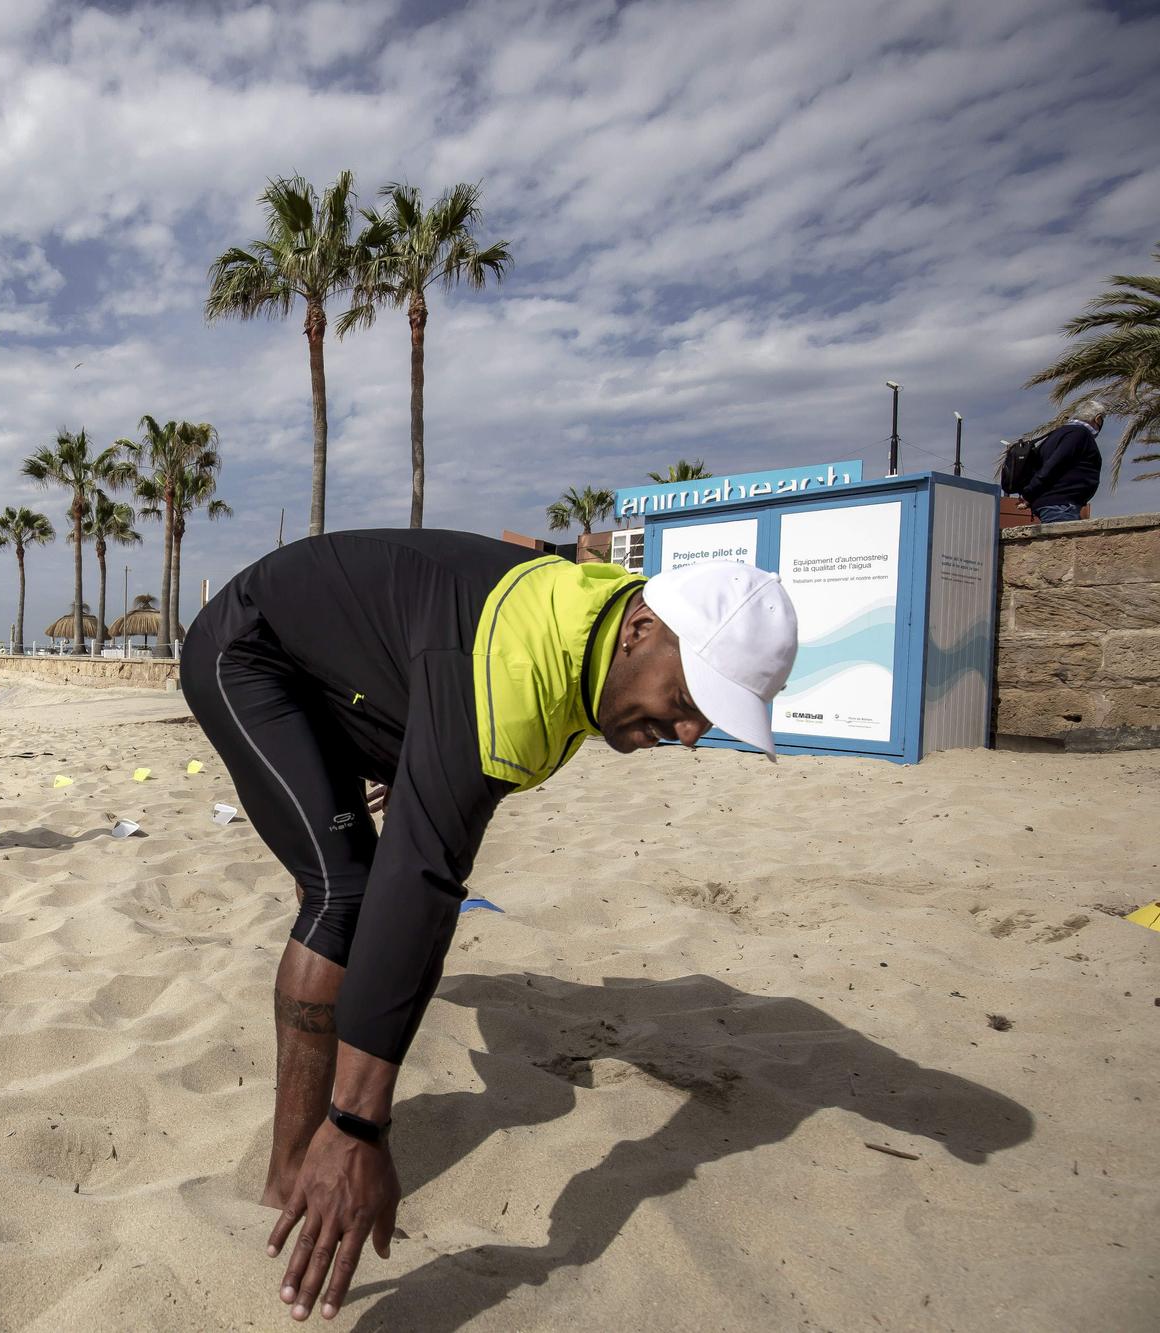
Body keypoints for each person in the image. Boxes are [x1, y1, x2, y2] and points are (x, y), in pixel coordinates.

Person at [179, 530, 798, 1323]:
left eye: (708, 717)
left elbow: (441, 793)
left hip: (364, 681)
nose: (687, 733)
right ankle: (295, 1172)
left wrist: (423, 775)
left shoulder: (590, 640)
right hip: (254, 651)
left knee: (385, 876)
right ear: (641, 628)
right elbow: (425, 881)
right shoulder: (521, 663)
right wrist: (358, 1123)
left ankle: (313, 1162)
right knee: (347, 894)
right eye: (686, 700)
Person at [1023, 397, 1107, 523]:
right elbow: (1054, 464)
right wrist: (1029, 493)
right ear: (1098, 418)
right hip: (1060, 506)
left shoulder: (1057, 434)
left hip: (1055, 504)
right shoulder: (1079, 434)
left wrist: (1030, 494)